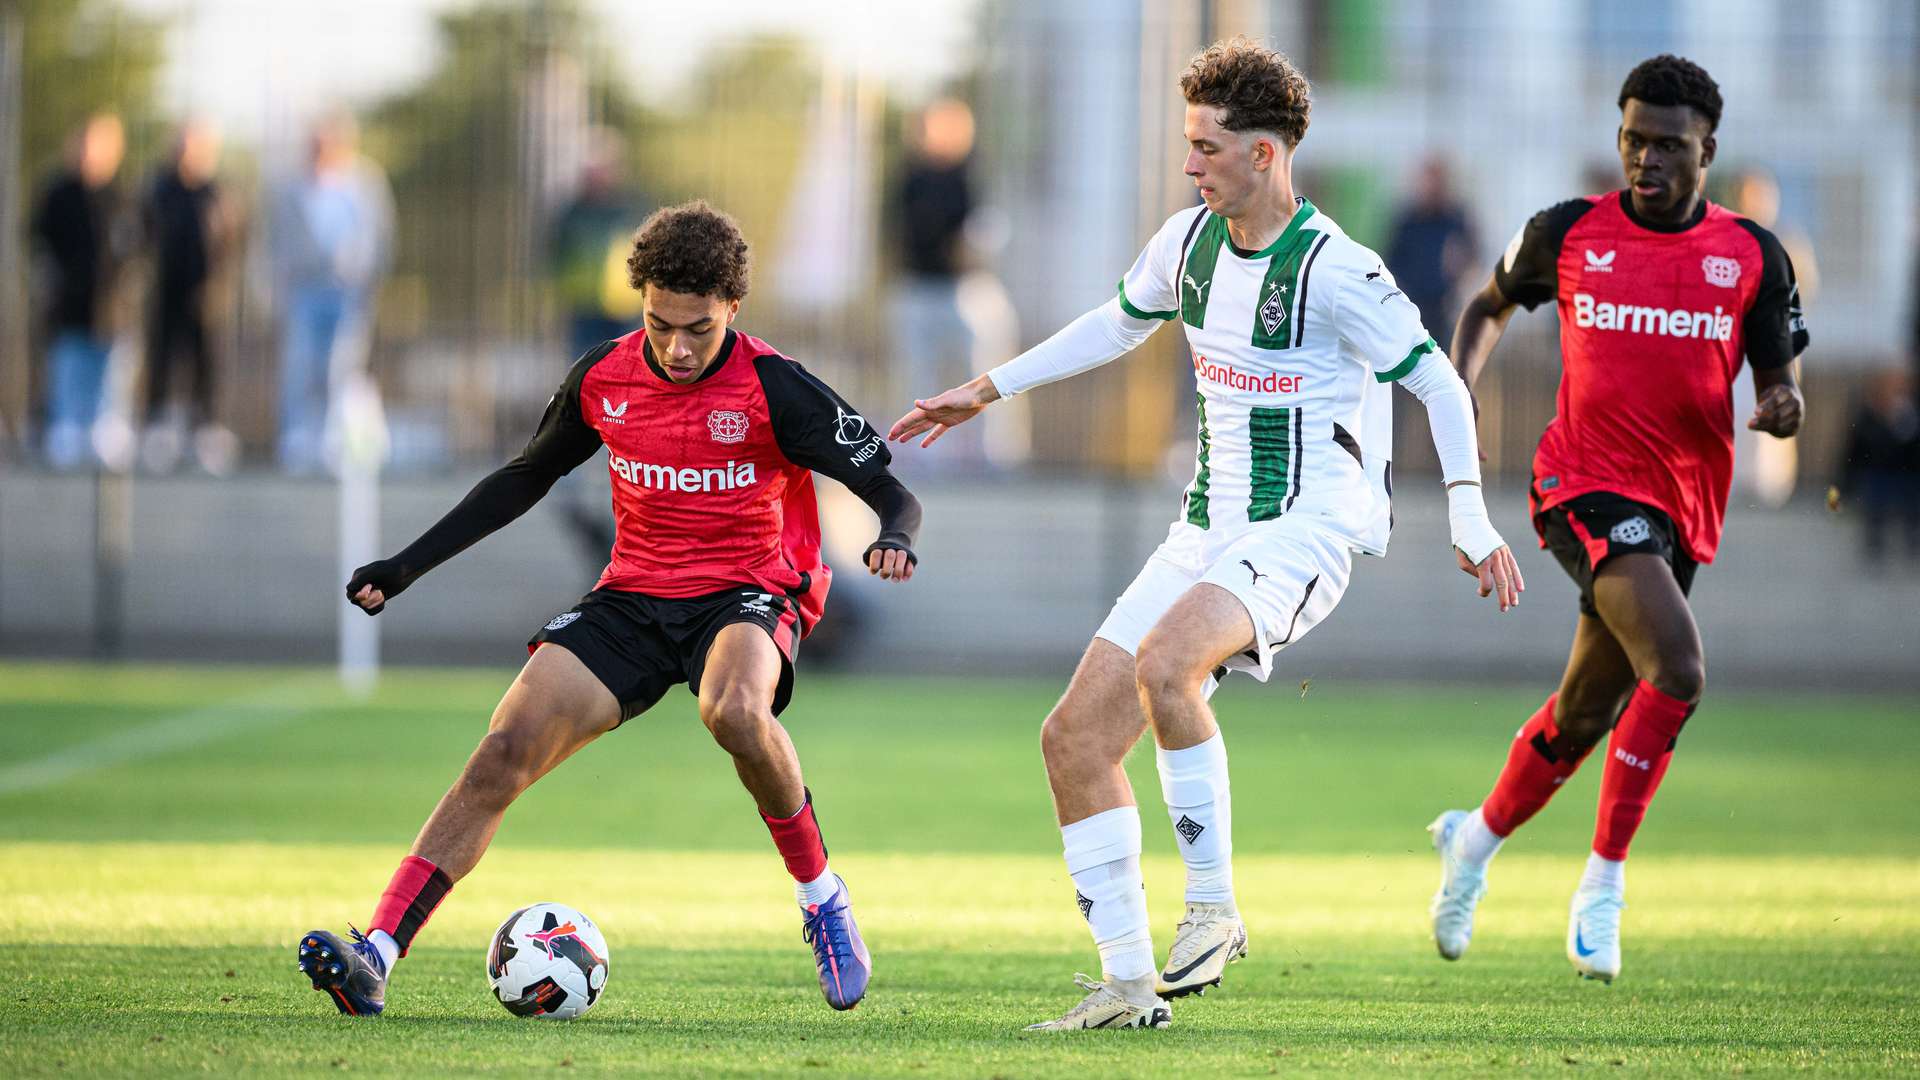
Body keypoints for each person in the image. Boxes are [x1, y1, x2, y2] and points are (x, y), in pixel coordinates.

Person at [893, 38, 1521, 1031]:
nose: (1190, 165)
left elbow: (1438, 380)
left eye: (1207, 147)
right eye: (1187, 146)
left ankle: (1216, 911)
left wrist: (1470, 512)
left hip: (1309, 527)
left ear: (1266, 155)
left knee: (1168, 663)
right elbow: (1114, 322)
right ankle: (1131, 985)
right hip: (1206, 526)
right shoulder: (1186, 243)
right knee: (1071, 740)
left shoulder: (1337, 270)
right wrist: (987, 387)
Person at [295, 202, 923, 1017]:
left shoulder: (778, 387)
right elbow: (525, 476)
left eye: (698, 327)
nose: (678, 346)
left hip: (749, 593)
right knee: (501, 751)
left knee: (734, 709)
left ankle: (822, 900)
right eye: (661, 324)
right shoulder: (606, 374)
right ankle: (376, 955)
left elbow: (890, 489)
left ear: (732, 307)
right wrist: (406, 565)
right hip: (631, 597)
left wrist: (896, 538)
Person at [1427, 55, 1808, 984]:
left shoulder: (1752, 257)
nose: (1646, 159)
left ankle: (1471, 844)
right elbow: (1485, 308)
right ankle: (1602, 888)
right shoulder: (1567, 233)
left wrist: (1784, 402)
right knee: (1677, 667)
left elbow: (1780, 374)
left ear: (1706, 149)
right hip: (1580, 489)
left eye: (1668, 145)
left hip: (1680, 508)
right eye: (1634, 140)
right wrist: (1459, 393)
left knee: (1586, 711)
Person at [886, 98, 1017, 471]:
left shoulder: (971, 175)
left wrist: (972, 249)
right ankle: (922, 458)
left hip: (965, 290)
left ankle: (993, 455)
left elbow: (984, 232)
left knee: (985, 373)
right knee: (917, 376)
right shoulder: (909, 177)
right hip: (918, 288)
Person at [270, 111, 394, 473]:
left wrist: (366, 272)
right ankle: (297, 435)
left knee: (341, 365)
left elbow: (380, 234)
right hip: (305, 289)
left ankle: (332, 435)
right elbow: (276, 240)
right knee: (300, 362)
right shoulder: (291, 186)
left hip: (348, 293)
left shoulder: (365, 182)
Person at [141, 119, 238, 474]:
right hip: (167, 290)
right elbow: (145, 236)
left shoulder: (217, 193)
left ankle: (207, 431)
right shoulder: (158, 189)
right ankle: (159, 429)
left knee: (206, 362)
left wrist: (218, 284)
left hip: (206, 294)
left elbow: (232, 240)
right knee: (163, 359)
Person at [30, 113, 128, 469]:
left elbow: (135, 248)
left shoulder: (121, 197)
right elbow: (40, 244)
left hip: (111, 309)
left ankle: (102, 431)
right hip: (68, 307)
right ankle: (65, 430)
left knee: (109, 378)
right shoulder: (57, 195)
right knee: (68, 370)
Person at [550, 127, 646, 360]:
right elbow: (555, 255)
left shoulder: (629, 210)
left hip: (623, 306)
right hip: (583, 306)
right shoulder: (571, 214)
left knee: (624, 365)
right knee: (584, 366)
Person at [1383, 156, 1478, 351]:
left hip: (1446, 309)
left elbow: (1471, 258)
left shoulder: (1456, 219)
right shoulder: (1407, 222)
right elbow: (1390, 263)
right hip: (1411, 308)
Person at [1836, 369, 1920, 564]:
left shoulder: (1910, 412)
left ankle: (1911, 545)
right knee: (1875, 512)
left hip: (1907, 472)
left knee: (1911, 512)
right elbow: (1857, 447)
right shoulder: (1869, 415)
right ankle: (1876, 548)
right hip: (1879, 472)